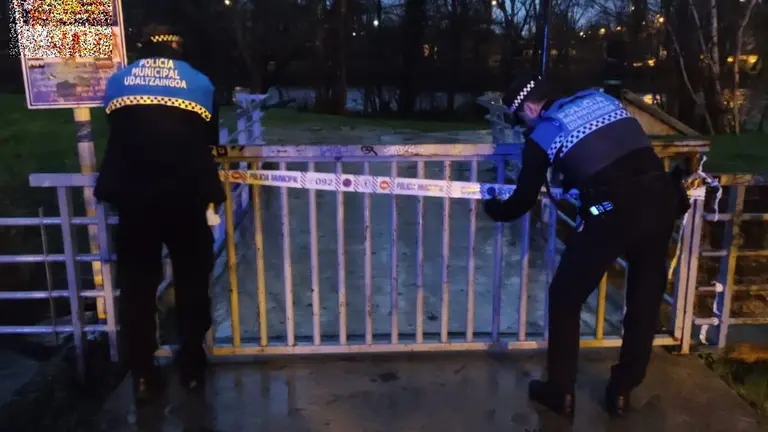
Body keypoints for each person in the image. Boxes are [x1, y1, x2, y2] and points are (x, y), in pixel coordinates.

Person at [484, 72, 689, 418]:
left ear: (530, 108)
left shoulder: (544, 133)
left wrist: (493, 208)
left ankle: (559, 391)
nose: (523, 127)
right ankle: (622, 390)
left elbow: (522, 200)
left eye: (520, 119)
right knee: (645, 298)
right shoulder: (603, 100)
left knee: (565, 298)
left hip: (612, 214)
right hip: (661, 201)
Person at [95, 24, 225, 402]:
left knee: (136, 285)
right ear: (178, 48)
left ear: (143, 48)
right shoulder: (199, 82)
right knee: (192, 281)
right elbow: (210, 139)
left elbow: (117, 130)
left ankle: (142, 372)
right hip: (186, 195)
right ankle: (192, 367)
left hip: (134, 197)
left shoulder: (118, 82)